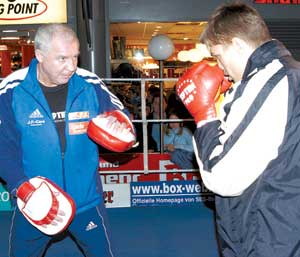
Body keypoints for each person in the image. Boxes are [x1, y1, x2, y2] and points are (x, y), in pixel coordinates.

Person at [176, 2, 300, 257]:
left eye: (219, 56)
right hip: (279, 224)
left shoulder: (271, 82)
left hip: (270, 233)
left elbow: (222, 177)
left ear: (238, 45)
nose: (219, 67)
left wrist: (204, 116)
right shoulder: (284, 74)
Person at [0, 23, 135, 257]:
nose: (71, 66)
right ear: (40, 55)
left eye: (75, 57)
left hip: (86, 201)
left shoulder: (89, 83)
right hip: (36, 202)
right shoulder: (12, 89)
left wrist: (121, 123)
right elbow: (3, 146)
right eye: (62, 58)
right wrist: (21, 186)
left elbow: (122, 115)